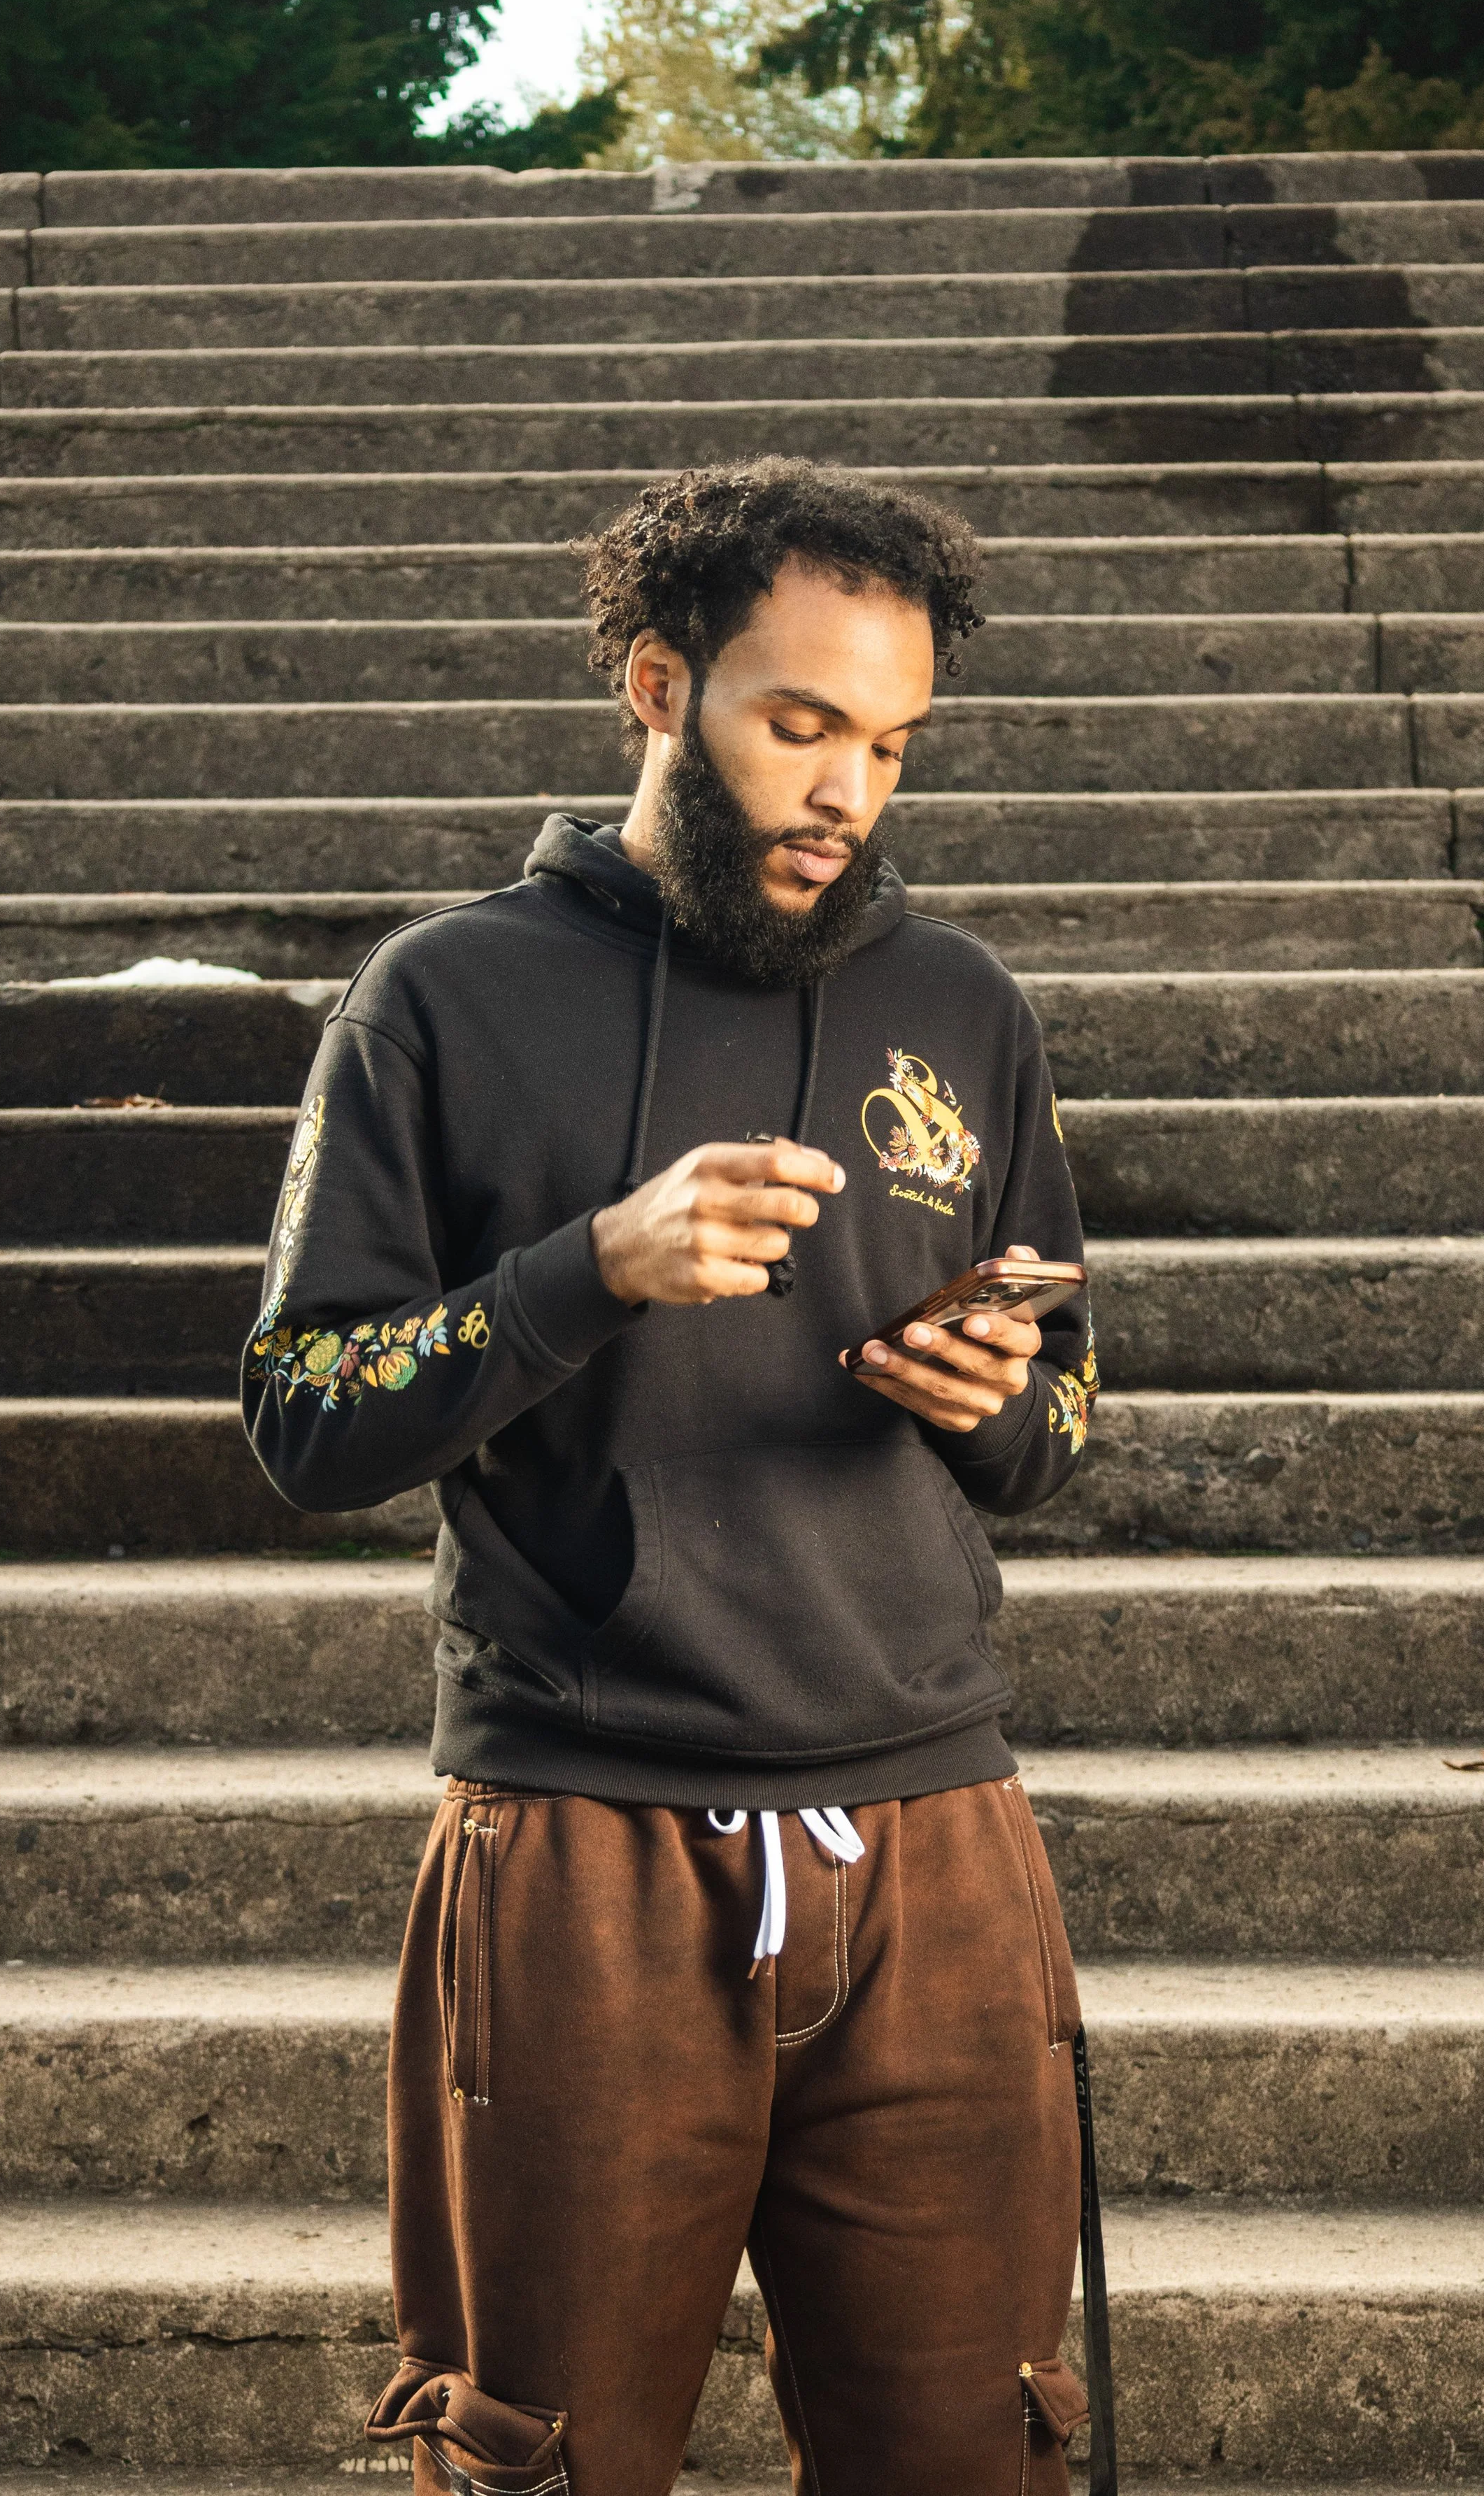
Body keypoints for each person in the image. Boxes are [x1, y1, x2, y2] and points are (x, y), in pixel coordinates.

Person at [243, 457, 1110, 2496]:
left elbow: (1060, 1424)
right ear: (656, 683)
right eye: (796, 722)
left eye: (887, 744)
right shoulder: (442, 999)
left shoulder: (957, 1004)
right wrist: (584, 1273)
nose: (846, 790)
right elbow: (304, 1410)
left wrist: (986, 1386)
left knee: (971, 2459)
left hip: (935, 1846)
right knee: (537, 2459)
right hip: (584, 1843)